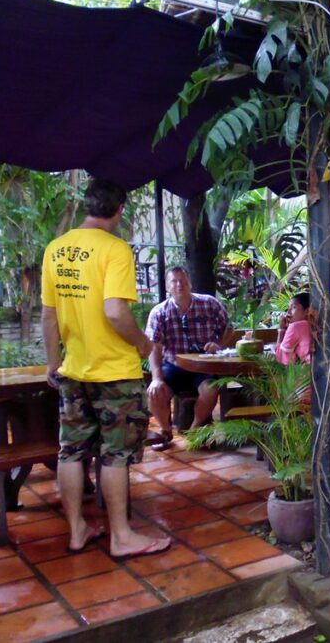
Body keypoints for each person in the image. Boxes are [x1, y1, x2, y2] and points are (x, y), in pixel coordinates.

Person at [41, 177, 171, 560]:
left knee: (71, 451)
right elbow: (115, 311)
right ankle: (121, 536)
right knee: (115, 455)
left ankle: (78, 530)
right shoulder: (114, 250)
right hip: (114, 373)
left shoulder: (56, 249)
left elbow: (49, 316)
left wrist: (54, 362)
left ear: (87, 205)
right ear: (118, 210)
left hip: (73, 370)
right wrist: (142, 343)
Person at [145, 267, 233, 449]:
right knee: (154, 393)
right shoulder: (159, 312)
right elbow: (154, 346)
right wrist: (156, 378)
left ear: (190, 283)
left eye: (183, 280)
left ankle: (195, 431)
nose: (180, 285)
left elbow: (229, 328)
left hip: (203, 366)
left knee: (210, 389)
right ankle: (165, 431)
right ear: (168, 286)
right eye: (174, 281)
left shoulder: (209, 303)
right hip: (173, 366)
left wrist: (219, 345)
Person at [275, 292, 313, 365]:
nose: (288, 312)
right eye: (288, 309)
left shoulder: (296, 326)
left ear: (307, 311)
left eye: (293, 307)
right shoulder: (316, 324)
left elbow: (281, 359)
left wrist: (281, 329)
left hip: (309, 374)